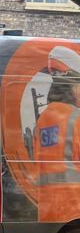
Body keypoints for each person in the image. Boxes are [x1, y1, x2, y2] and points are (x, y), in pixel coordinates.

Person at [32, 69, 80, 221]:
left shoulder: (42, 119)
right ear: (72, 89)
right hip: (74, 203)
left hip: (47, 205)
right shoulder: (76, 117)